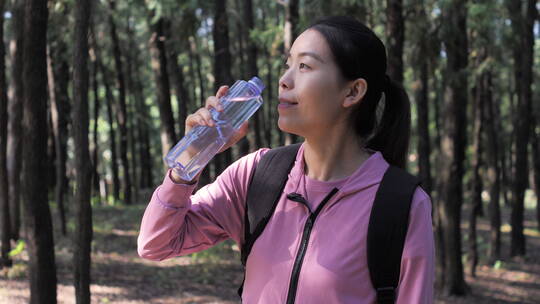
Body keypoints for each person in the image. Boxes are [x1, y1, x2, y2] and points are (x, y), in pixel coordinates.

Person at [138, 15, 435, 304]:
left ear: (353, 91)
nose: (284, 80)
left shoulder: (402, 204)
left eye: (304, 66)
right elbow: (156, 243)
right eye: (287, 65)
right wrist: (192, 156)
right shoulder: (257, 175)